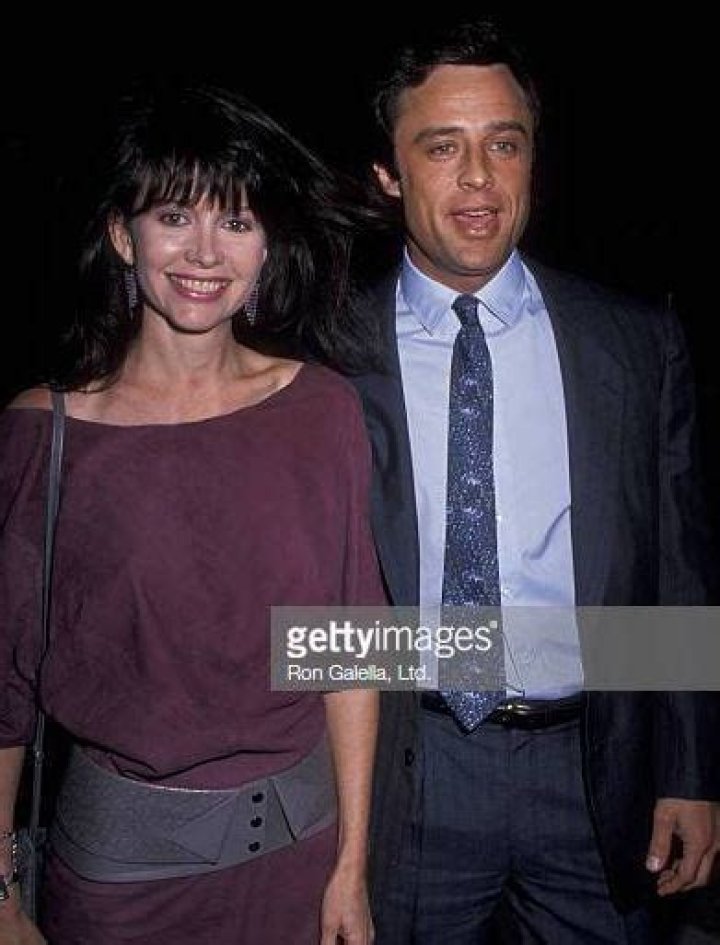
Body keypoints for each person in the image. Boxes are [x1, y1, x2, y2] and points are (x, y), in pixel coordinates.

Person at [347, 18, 720, 944]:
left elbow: (675, 568)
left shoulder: (632, 340)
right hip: (411, 770)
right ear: (388, 174)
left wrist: (689, 771)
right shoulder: (324, 352)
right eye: (443, 147)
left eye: (504, 144)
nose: (479, 176)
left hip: (593, 775)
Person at [0, 79, 383, 945]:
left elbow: (351, 651)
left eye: (237, 221)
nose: (205, 251)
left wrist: (351, 865)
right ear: (121, 235)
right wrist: (0, 892)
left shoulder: (322, 409)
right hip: (119, 886)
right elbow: (6, 689)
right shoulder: (45, 434)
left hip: (299, 863)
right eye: (174, 216)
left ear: (266, 245)